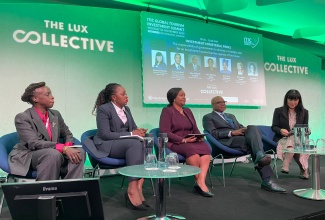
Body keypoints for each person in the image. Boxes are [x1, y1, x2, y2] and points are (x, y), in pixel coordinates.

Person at [84, 83, 149, 210]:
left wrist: (139, 131)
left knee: (143, 141)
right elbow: (105, 134)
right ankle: (132, 189)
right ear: (114, 97)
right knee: (135, 143)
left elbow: (133, 128)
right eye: (123, 94)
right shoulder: (104, 109)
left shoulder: (127, 109)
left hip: (125, 144)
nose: (126, 96)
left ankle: (138, 187)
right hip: (108, 144)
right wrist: (131, 134)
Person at [203, 96, 286, 193]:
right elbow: (213, 134)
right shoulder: (208, 117)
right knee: (253, 144)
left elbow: (240, 126)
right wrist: (232, 133)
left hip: (240, 139)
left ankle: (260, 156)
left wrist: (246, 130)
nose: (222, 104)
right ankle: (267, 179)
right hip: (226, 142)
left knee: (252, 128)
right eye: (219, 102)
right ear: (213, 105)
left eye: (224, 102)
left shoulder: (231, 116)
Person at [8, 82, 84, 181]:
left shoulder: (55, 114)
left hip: (53, 152)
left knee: (79, 152)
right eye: (47, 95)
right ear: (35, 99)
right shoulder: (23, 117)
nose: (52, 97)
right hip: (30, 155)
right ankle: (46, 193)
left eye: (51, 94)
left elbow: (67, 133)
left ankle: (70, 189)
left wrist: (68, 147)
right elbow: (34, 143)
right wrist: (63, 148)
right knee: (52, 154)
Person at [159, 88, 213, 197]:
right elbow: (164, 132)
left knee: (206, 150)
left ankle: (200, 182)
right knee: (193, 152)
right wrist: (183, 140)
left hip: (192, 141)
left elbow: (195, 128)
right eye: (181, 95)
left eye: (184, 95)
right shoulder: (167, 111)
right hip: (176, 142)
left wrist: (199, 136)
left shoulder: (187, 111)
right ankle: (201, 184)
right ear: (173, 98)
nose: (184, 97)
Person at [271, 89, 309, 179]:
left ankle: (286, 163)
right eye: (290, 100)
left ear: (299, 100)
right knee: (294, 142)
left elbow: (305, 128)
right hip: (282, 139)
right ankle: (304, 169)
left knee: (294, 140)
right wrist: (280, 130)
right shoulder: (278, 111)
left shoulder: (305, 112)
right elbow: (274, 127)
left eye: (295, 100)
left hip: (297, 140)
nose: (293, 102)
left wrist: (307, 131)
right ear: (286, 99)